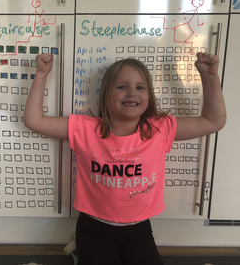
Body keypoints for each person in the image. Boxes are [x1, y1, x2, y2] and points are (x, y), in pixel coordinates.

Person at [24, 52, 226, 265]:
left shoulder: (160, 129)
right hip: (94, 228)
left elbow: (213, 121)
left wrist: (210, 76)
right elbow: (34, 120)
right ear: (105, 95)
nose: (132, 92)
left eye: (140, 87)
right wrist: (42, 74)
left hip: (138, 229)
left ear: (148, 97)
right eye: (122, 86)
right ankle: (79, 251)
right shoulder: (83, 129)